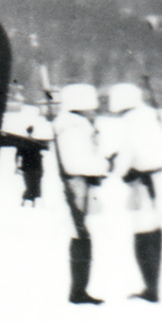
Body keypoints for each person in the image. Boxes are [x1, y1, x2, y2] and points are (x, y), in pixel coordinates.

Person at [106, 82, 162, 302]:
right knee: (154, 230)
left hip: (144, 183)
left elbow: (127, 153)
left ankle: (150, 288)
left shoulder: (130, 121)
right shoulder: (149, 116)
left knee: (144, 233)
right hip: (159, 179)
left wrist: (115, 170)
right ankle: (153, 285)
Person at [53, 83, 110, 304]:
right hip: (75, 186)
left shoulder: (76, 126)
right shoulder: (73, 128)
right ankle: (78, 292)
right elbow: (77, 163)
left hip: (78, 186)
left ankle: (79, 290)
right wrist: (103, 165)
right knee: (81, 235)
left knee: (82, 235)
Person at [16, 125, 45, 206]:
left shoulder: (23, 142)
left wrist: (17, 166)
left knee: (30, 184)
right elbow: (40, 155)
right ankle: (30, 201)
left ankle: (27, 201)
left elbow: (18, 155)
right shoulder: (37, 143)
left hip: (28, 167)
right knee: (35, 184)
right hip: (36, 167)